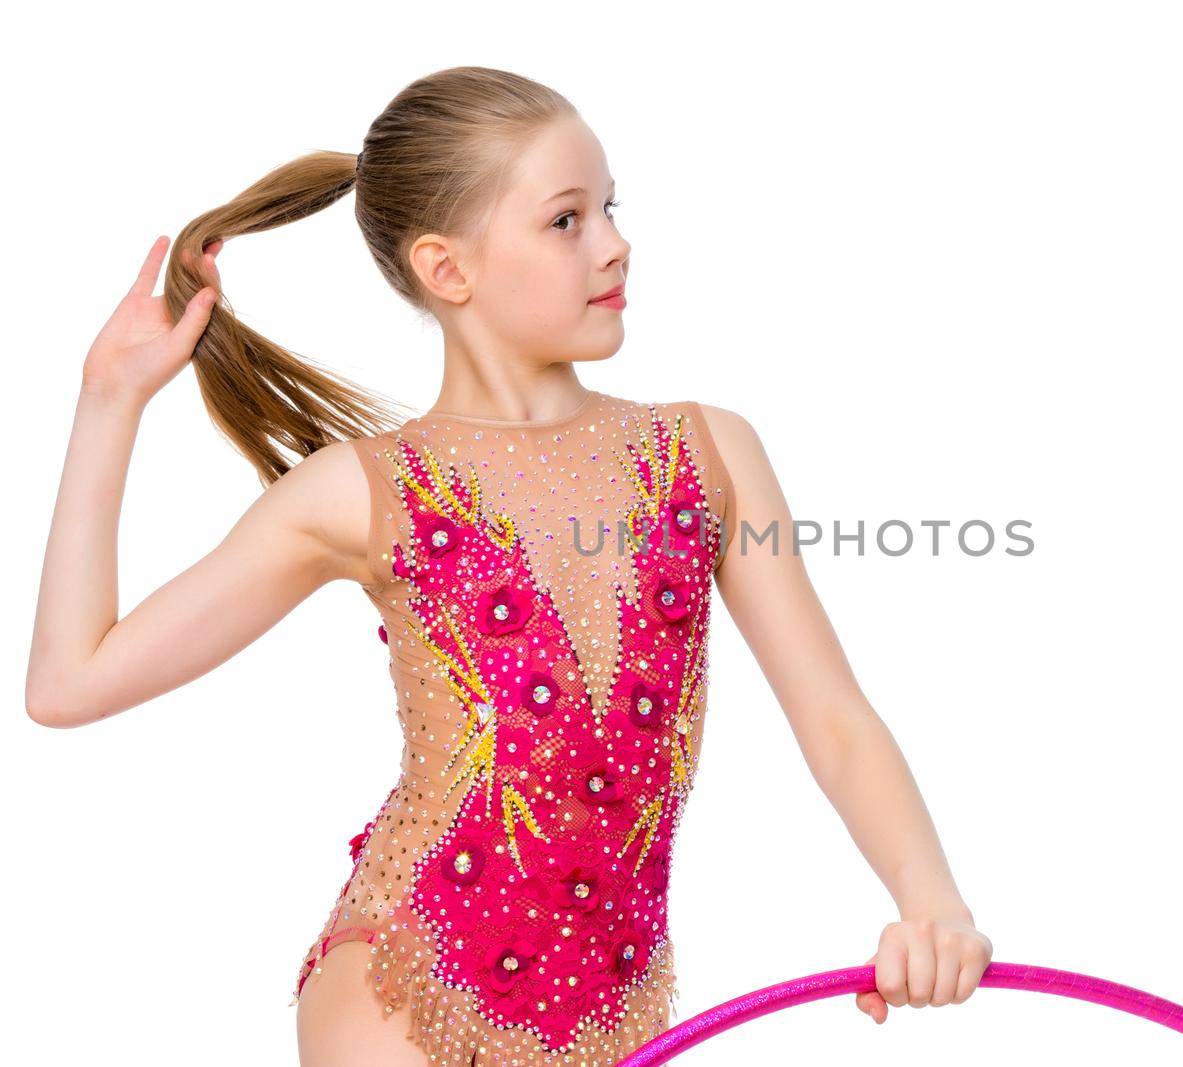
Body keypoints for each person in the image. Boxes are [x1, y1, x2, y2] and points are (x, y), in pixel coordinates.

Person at [24, 65, 992, 1066]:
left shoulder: (709, 452)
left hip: (617, 1007)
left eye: (608, 208)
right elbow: (69, 682)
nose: (616, 244)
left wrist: (931, 901)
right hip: (404, 990)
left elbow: (834, 718)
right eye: (566, 220)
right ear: (449, 269)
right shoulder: (362, 489)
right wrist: (110, 401)